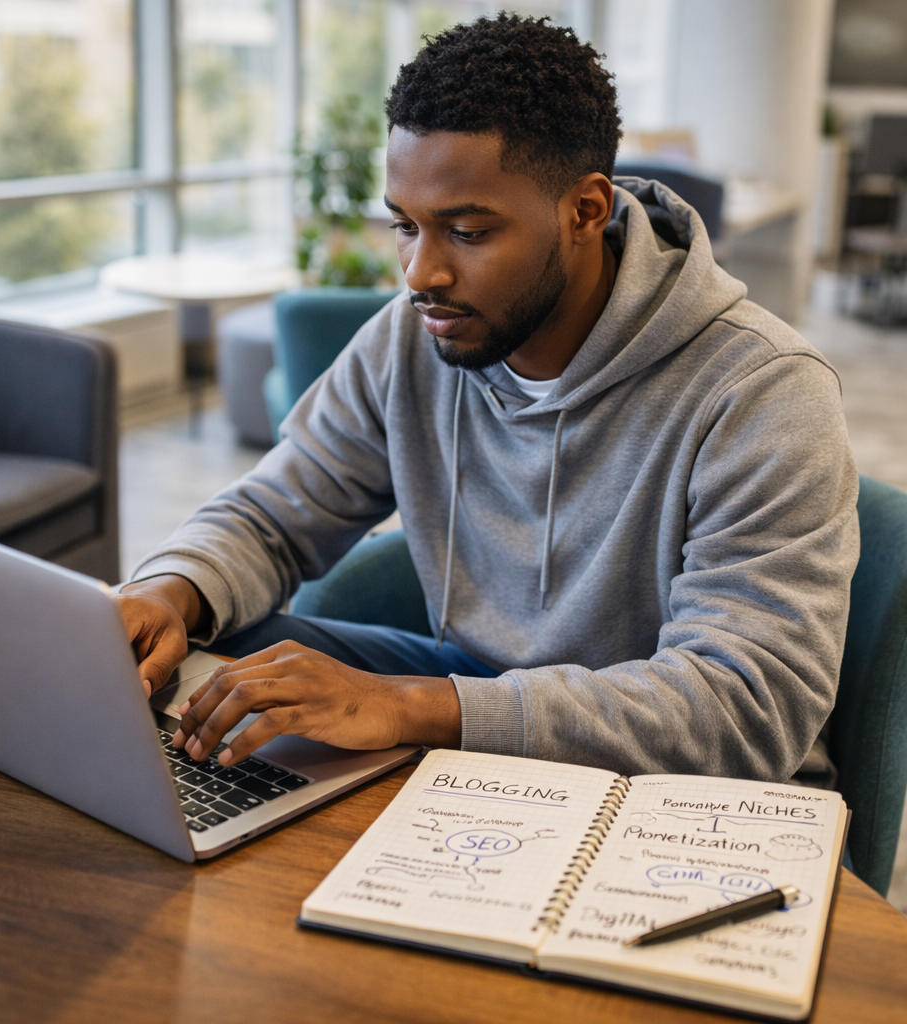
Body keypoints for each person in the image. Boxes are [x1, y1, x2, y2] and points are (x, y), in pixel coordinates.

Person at [116, 14, 858, 783]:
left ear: (585, 211)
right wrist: (172, 589)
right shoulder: (415, 337)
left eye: (466, 232)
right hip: (473, 681)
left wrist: (414, 707)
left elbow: (747, 706)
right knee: (211, 664)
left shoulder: (764, 392)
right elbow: (275, 511)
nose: (420, 273)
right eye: (405, 225)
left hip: (680, 785)